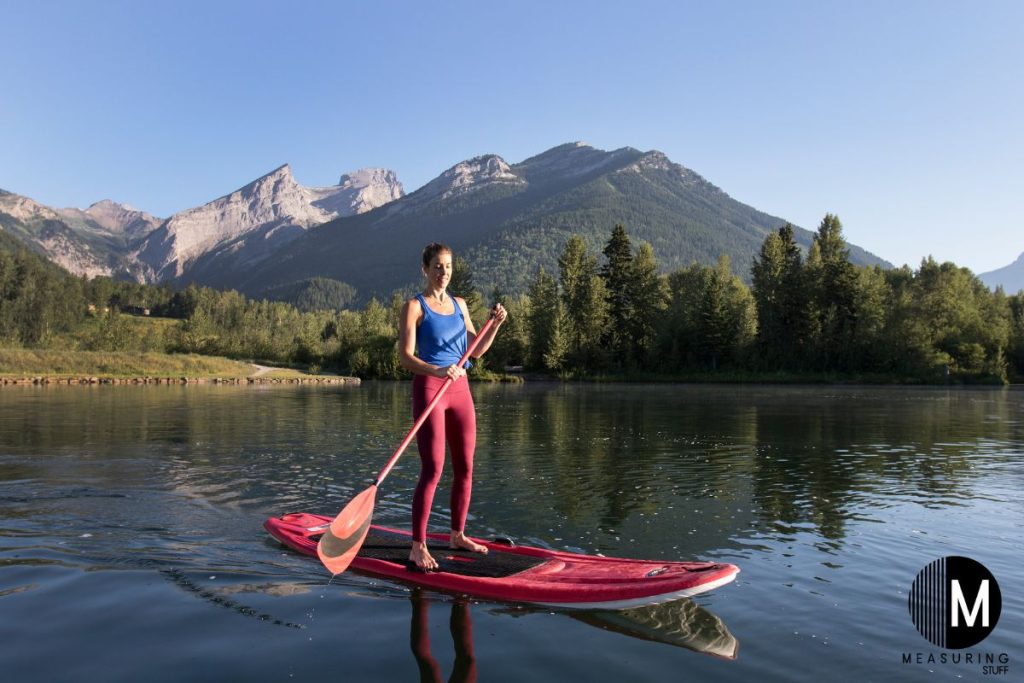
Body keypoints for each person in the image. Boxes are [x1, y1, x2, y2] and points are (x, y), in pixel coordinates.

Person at [399, 242, 507, 571]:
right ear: (425, 269)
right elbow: (405, 357)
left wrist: (495, 325)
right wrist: (436, 370)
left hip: (460, 390)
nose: (443, 272)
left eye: (447, 266)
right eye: (437, 266)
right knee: (432, 469)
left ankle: (457, 535)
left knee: (466, 467)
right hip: (431, 387)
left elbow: (475, 351)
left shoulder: (460, 305)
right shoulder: (414, 307)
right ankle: (418, 546)